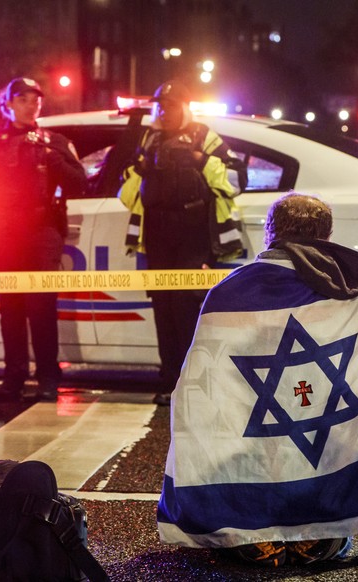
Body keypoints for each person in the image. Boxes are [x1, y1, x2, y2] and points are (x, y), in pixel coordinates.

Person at [157, 192, 358, 567]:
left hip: (254, 444)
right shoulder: (351, 294)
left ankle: (249, 533)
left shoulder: (229, 292)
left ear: (270, 233)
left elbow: (200, 384)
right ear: (327, 236)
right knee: (338, 440)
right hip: (323, 442)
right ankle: (320, 532)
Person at [117, 80, 244, 406]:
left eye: (171, 105)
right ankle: (170, 382)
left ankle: (191, 385)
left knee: (186, 310)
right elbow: (125, 189)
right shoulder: (149, 138)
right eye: (160, 105)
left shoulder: (204, 136)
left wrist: (201, 160)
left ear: (185, 107)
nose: (164, 111)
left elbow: (237, 180)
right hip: (157, 236)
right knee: (163, 311)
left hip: (193, 235)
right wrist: (140, 168)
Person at [0, 77, 88, 401]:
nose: (31, 105)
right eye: (23, 100)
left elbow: (80, 182)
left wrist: (53, 159)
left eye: (35, 100)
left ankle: (47, 377)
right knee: (11, 308)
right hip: (3, 233)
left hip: (41, 230)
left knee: (42, 306)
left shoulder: (53, 141)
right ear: (8, 104)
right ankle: (13, 377)